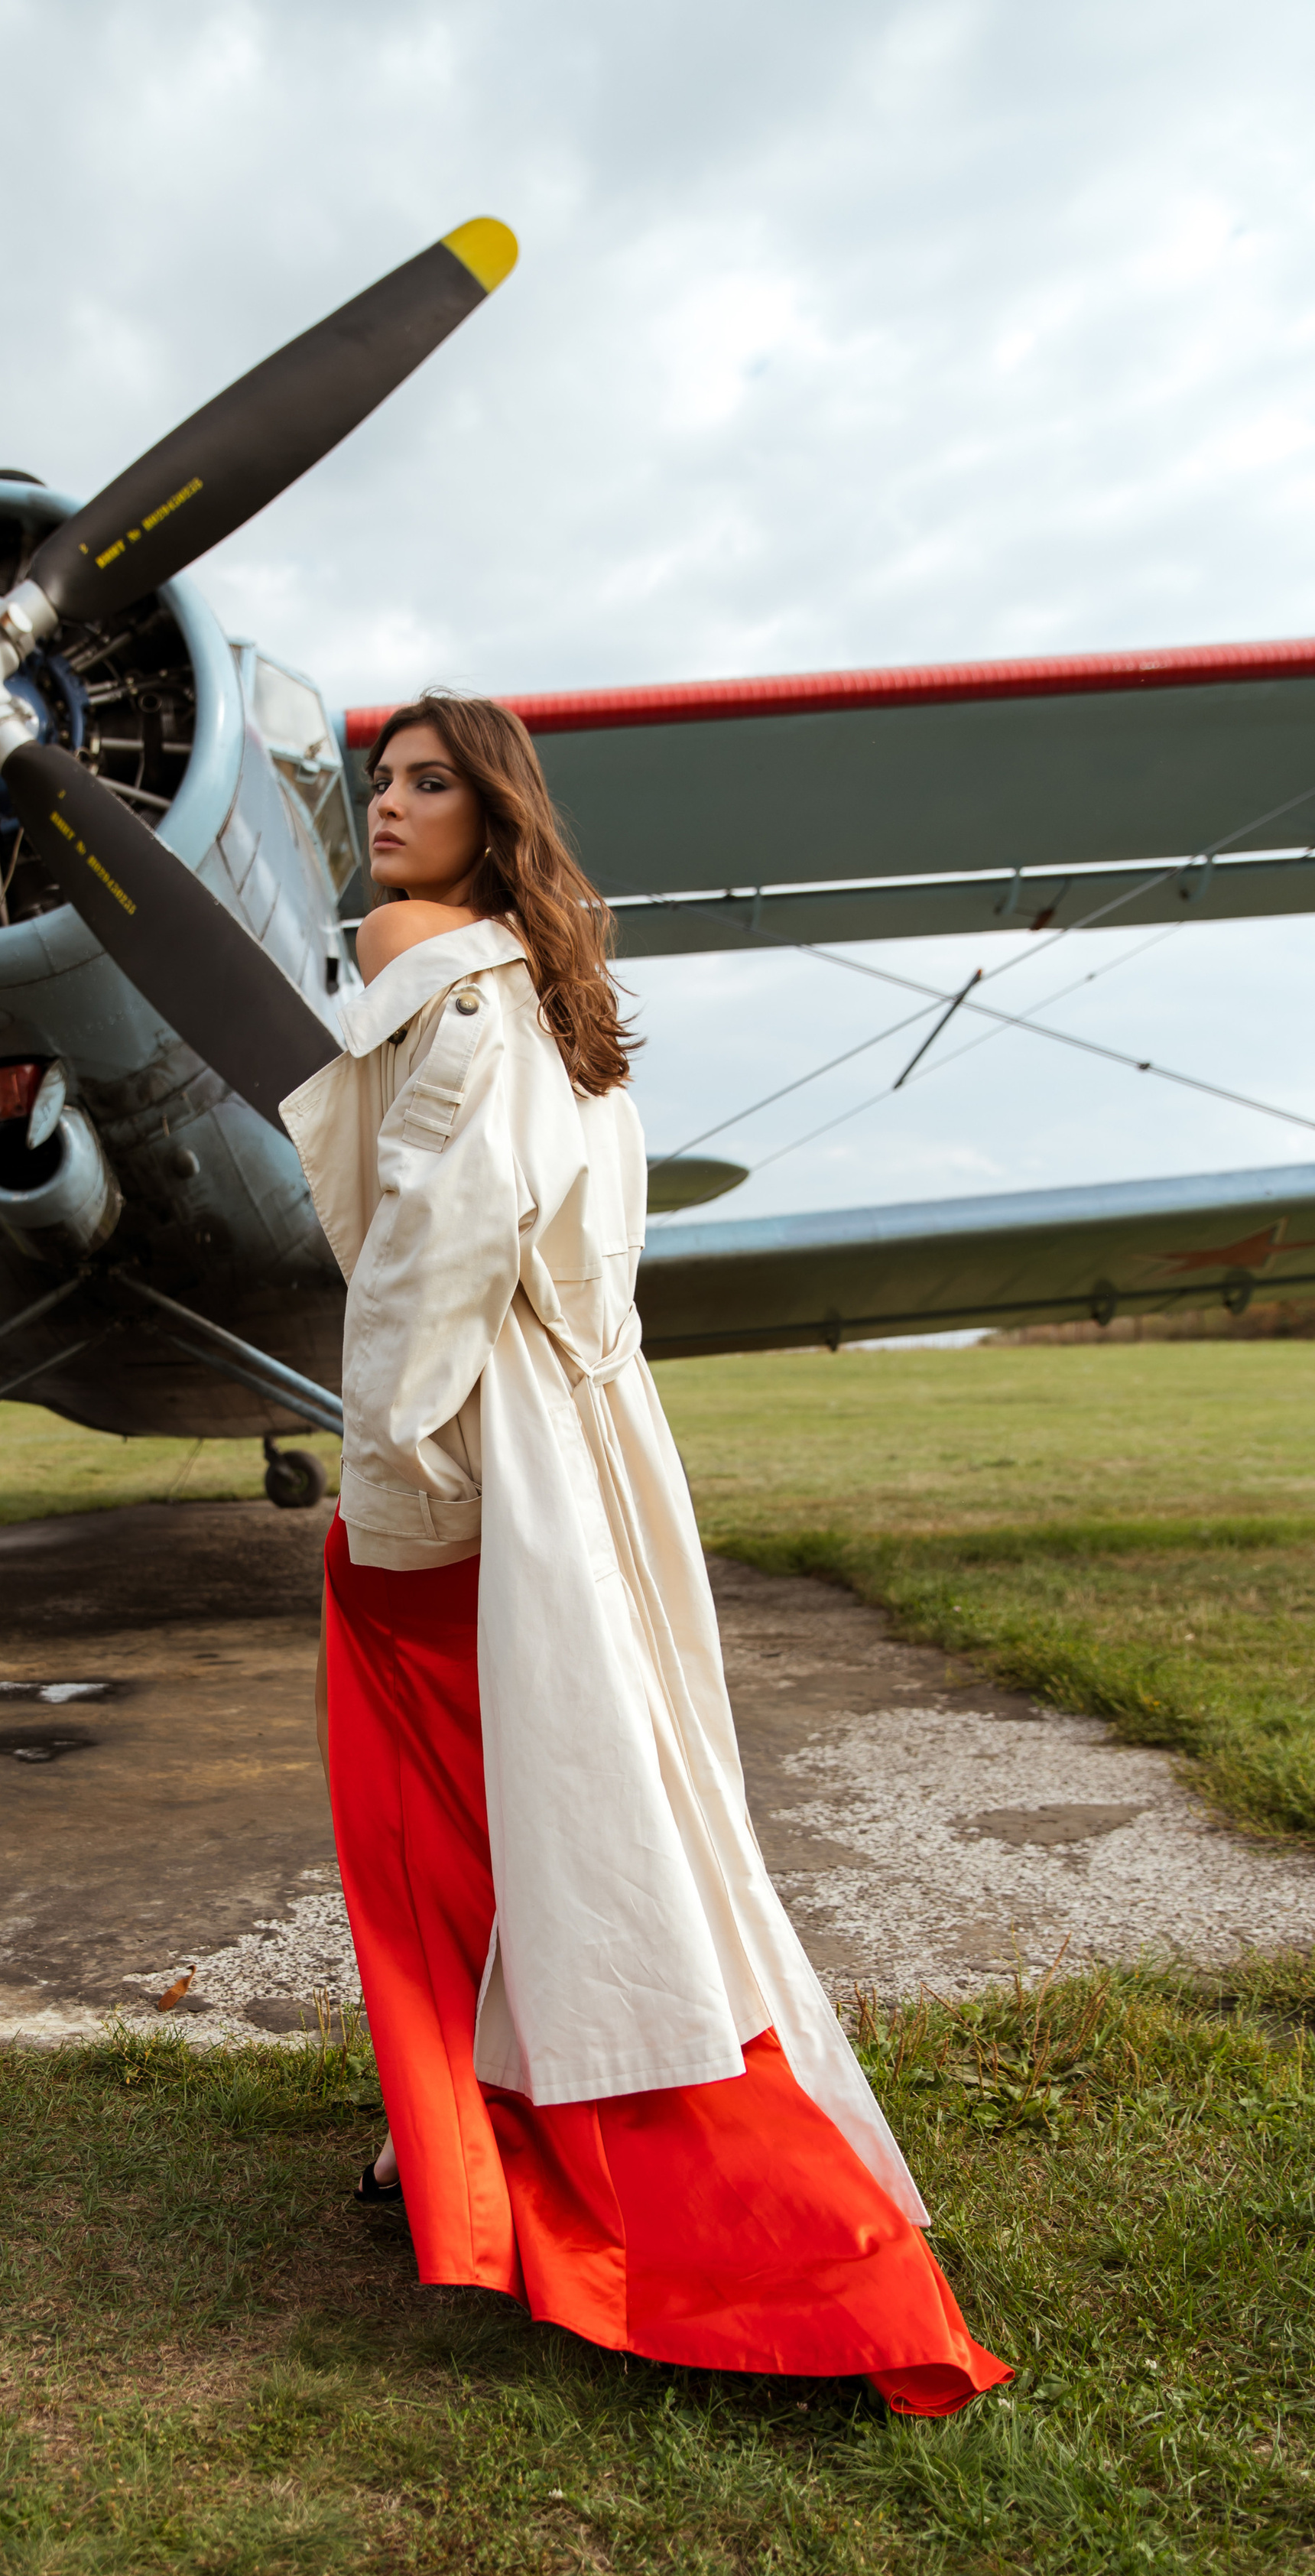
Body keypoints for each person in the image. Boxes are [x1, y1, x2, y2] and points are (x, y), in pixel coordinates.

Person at [278, 693, 1009, 2419]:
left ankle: (624, 2186)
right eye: (377, 784)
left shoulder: (443, 982)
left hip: (494, 1447)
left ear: (491, 817)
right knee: (575, 1802)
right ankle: (467, 2131)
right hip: (584, 1433)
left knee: (457, 1809)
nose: (385, 810)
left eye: (427, 785)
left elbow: (427, 1261)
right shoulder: (548, 1004)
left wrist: (380, 1462)